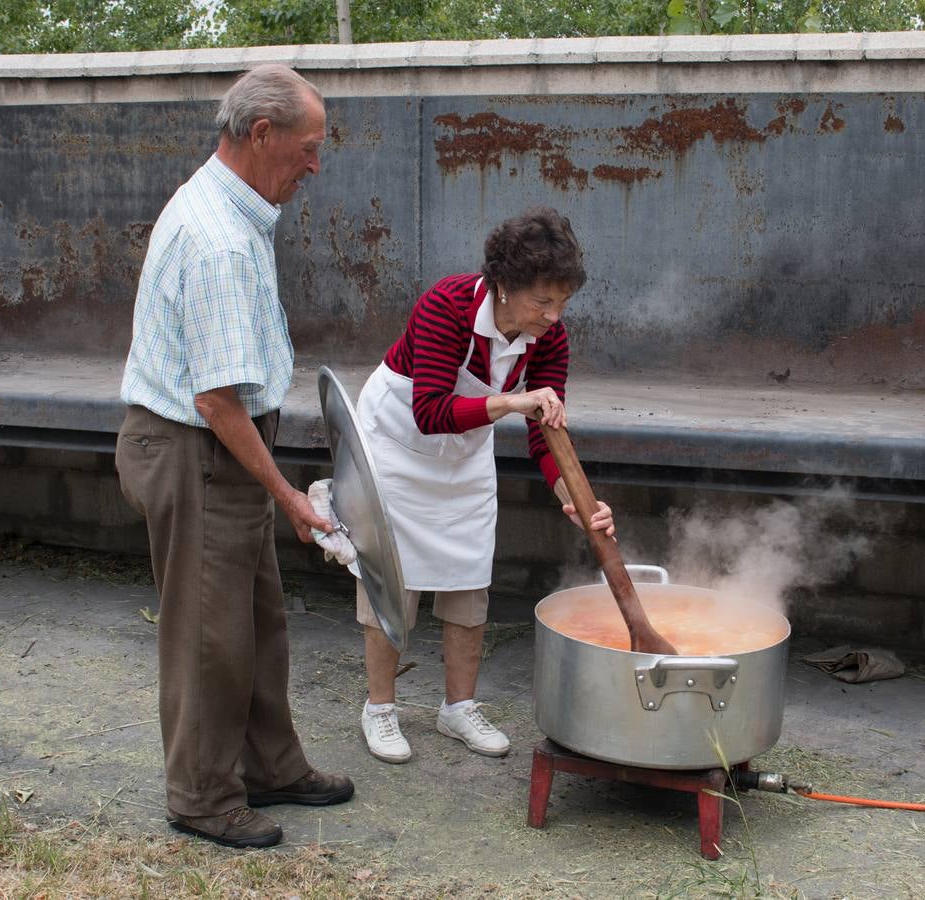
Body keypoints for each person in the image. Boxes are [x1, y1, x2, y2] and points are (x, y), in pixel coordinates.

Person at [115, 64, 352, 850]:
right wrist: (291, 499)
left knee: (257, 621)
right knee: (209, 634)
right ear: (261, 135)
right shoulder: (216, 239)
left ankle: (271, 766)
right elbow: (217, 401)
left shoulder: (236, 210)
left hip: (219, 445)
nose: (316, 165)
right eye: (309, 149)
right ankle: (203, 796)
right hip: (198, 448)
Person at [352, 208, 613, 763]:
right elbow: (429, 411)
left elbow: (547, 436)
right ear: (503, 285)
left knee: (469, 579)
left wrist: (578, 502)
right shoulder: (446, 305)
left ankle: (457, 708)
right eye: (543, 301)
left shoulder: (550, 339)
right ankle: (379, 709)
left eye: (562, 301)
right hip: (397, 446)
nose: (553, 314)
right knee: (389, 578)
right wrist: (515, 401)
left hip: (464, 450)